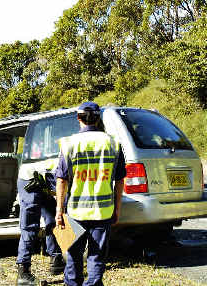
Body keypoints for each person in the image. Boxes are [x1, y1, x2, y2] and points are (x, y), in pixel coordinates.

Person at [55, 101, 126, 286]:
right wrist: (117, 209)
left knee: (73, 255)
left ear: (78, 118)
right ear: (98, 118)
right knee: (96, 256)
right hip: (103, 211)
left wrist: (59, 211)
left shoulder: (68, 143)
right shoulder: (113, 144)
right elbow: (119, 180)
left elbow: (62, 180)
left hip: (75, 211)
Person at [16, 169, 65, 285]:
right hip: (30, 178)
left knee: (53, 216)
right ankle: (23, 272)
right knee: (30, 226)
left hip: (45, 178)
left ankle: (56, 260)